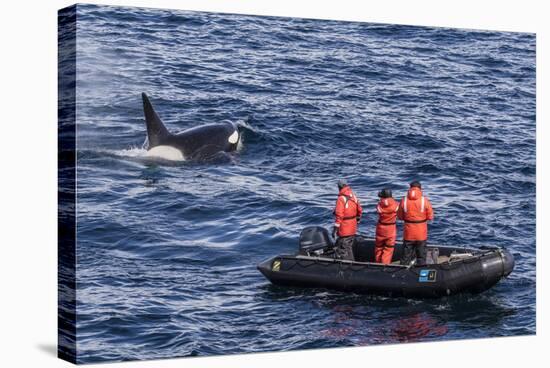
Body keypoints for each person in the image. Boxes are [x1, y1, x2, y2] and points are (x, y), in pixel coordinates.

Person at [397, 181, 434, 266]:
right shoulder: (424, 201)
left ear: (410, 188)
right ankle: (420, 272)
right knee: (421, 255)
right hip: (421, 233)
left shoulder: (404, 200)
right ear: (420, 189)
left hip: (408, 233)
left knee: (405, 256)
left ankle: (402, 273)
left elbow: (400, 216)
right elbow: (430, 216)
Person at [332, 179, 363, 261]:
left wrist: (335, 229)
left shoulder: (341, 199)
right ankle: (352, 263)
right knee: (348, 247)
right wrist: (357, 220)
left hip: (344, 228)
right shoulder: (353, 196)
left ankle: (347, 267)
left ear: (340, 187)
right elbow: (359, 210)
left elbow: (339, 215)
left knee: (343, 249)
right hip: (353, 227)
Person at [375, 188, 399, 264]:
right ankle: (384, 265)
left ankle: (377, 263)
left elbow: (381, 205)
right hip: (391, 229)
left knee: (378, 247)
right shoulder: (396, 205)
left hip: (380, 228)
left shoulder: (379, 205)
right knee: (388, 249)